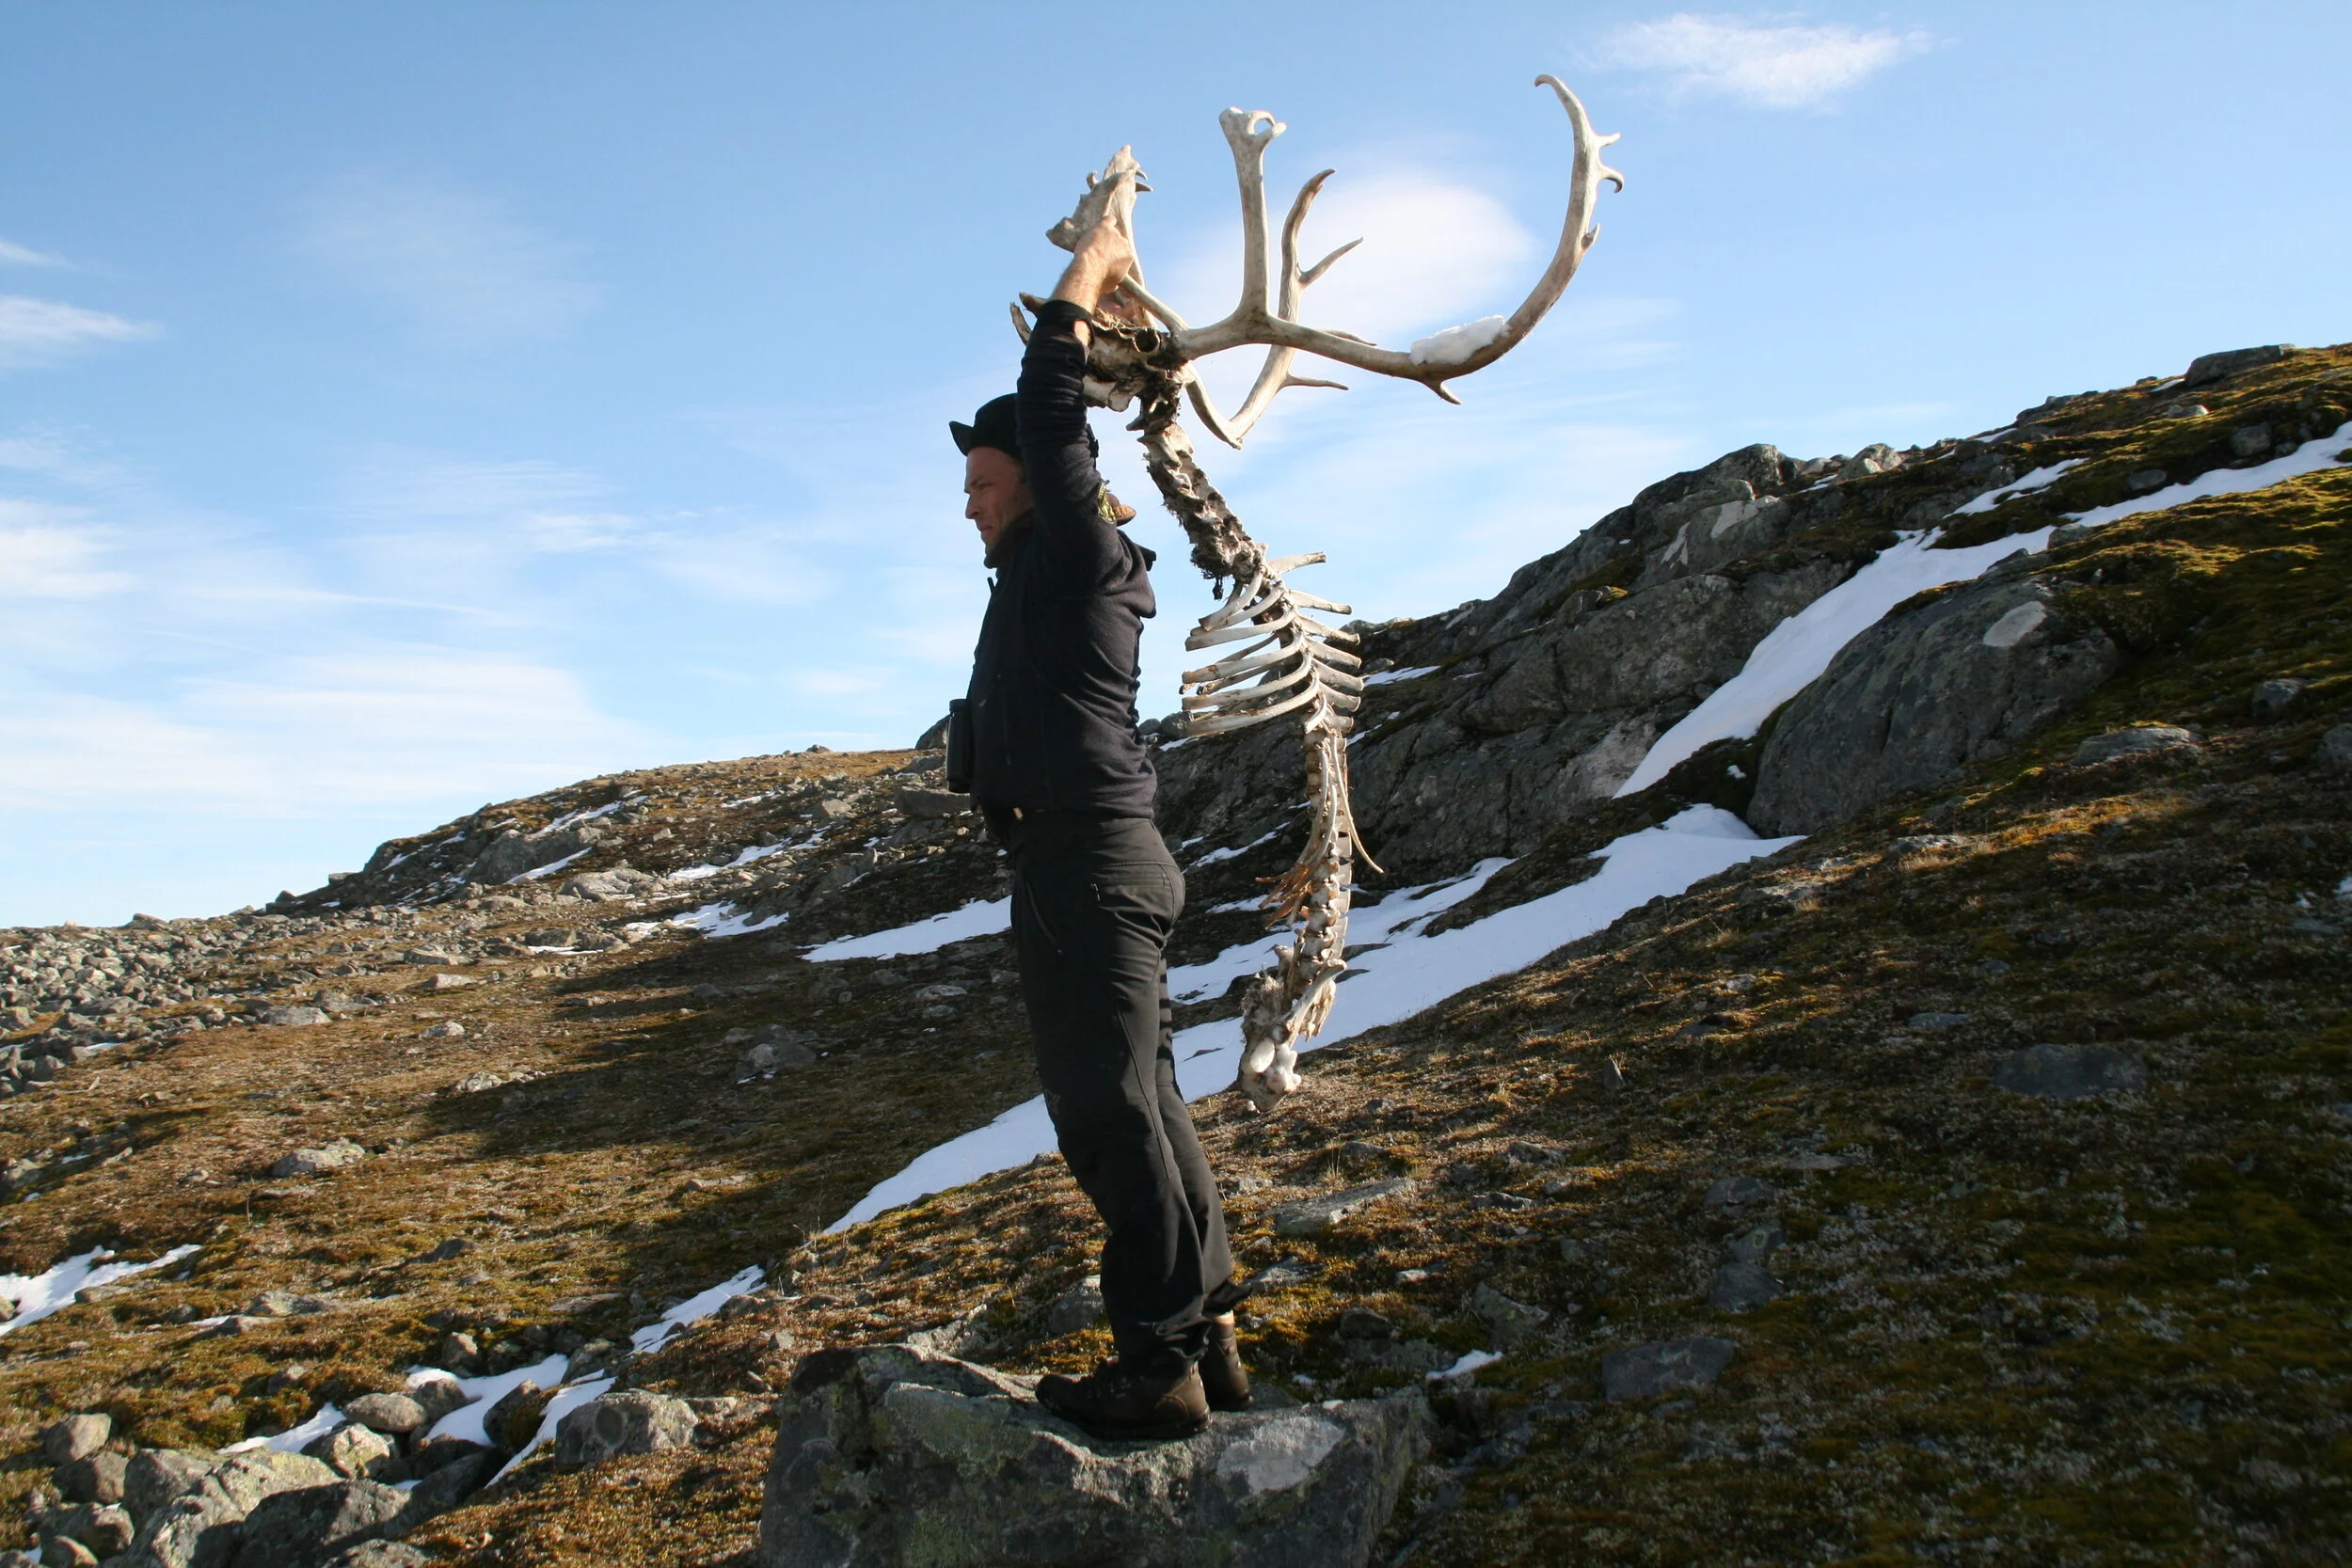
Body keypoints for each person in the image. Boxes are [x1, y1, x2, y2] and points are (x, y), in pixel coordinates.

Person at [949, 214, 1249, 1440]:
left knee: (1104, 1108)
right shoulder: (1051, 566)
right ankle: (1206, 1333)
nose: (967, 506)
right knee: (1147, 1099)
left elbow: (1053, 404)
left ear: (1035, 476)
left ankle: (1159, 1362)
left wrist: (1093, 264)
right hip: (1093, 853)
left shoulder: (1074, 547)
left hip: (1086, 857)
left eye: (982, 481)